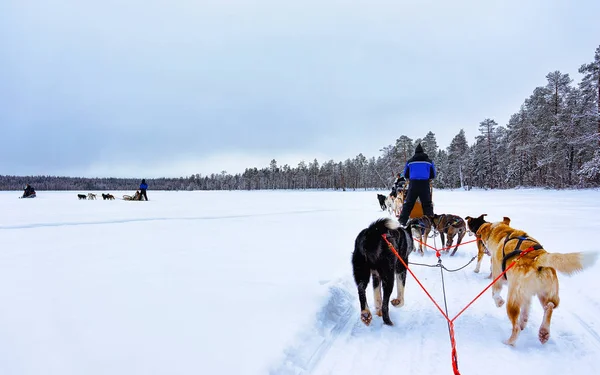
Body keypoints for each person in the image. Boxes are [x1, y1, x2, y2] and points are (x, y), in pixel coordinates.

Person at [398, 143, 436, 226]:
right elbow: (433, 174)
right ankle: (430, 223)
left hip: (413, 184)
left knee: (408, 203)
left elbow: (406, 174)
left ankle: (402, 222)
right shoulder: (429, 161)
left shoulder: (410, 161)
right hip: (425, 184)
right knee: (427, 204)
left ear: (415, 152)